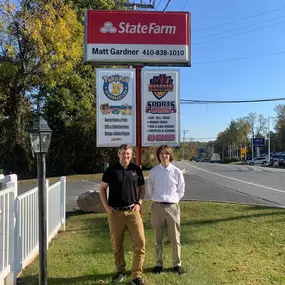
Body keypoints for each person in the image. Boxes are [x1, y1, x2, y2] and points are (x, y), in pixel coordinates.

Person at [100, 144, 146, 285]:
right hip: (115, 213)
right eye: (123, 153)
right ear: (118, 154)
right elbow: (102, 189)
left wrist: (139, 203)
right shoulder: (111, 170)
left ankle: (136, 276)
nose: (125, 156)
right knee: (117, 245)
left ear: (131, 155)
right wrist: (107, 207)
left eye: (128, 154)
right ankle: (120, 271)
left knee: (140, 243)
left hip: (133, 212)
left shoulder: (136, 170)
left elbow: (142, 188)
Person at [148, 144, 186, 275]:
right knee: (157, 238)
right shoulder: (153, 172)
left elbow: (181, 190)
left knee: (175, 238)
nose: (164, 156)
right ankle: (158, 264)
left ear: (170, 155)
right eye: (162, 153)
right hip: (157, 207)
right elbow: (150, 190)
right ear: (158, 156)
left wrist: (173, 200)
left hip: (172, 208)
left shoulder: (177, 172)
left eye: (167, 153)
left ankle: (177, 264)